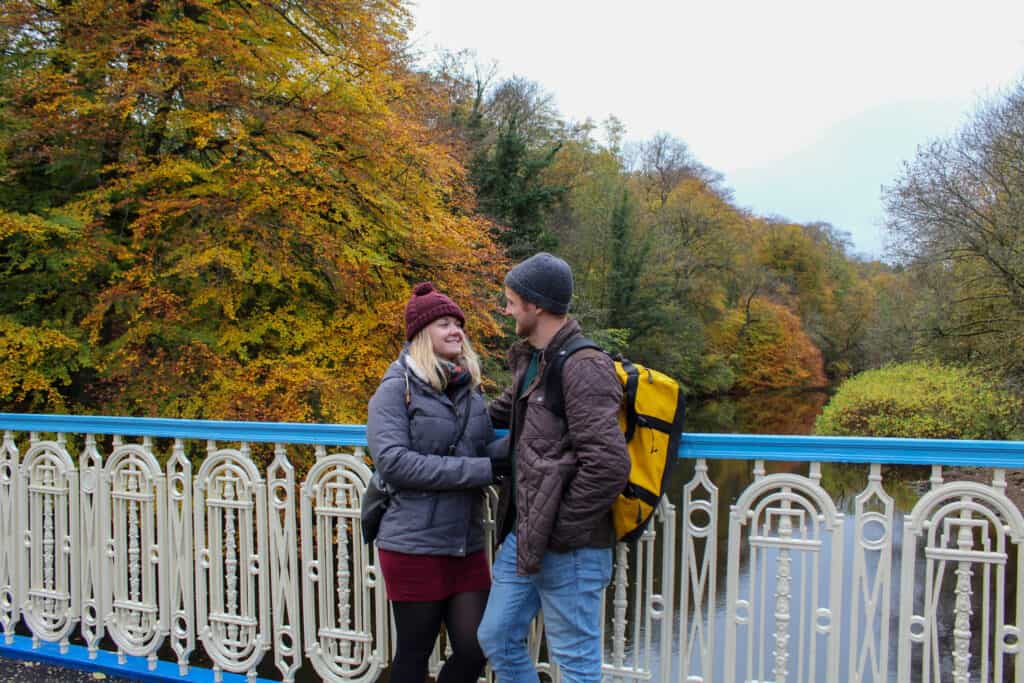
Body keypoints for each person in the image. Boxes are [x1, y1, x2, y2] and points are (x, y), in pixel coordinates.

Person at [477, 252, 631, 683]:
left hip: (570, 545)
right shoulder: (533, 361)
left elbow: (608, 465)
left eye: (510, 300)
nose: (505, 309)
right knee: (497, 636)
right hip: (525, 535)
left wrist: (560, 530)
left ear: (536, 305)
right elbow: (494, 415)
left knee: (576, 663)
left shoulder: (584, 366)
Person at [367, 282, 503, 683]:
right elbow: (394, 464)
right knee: (414, 651)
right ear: (421, 334)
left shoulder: (469, 391)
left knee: (476, 647)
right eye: (444, 323)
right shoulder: (395, 390)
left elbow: (484, 448)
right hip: (413, 542)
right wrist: (479, 471)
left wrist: (534, 441)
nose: (455, 331)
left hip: (465, 542)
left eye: (458, 324)